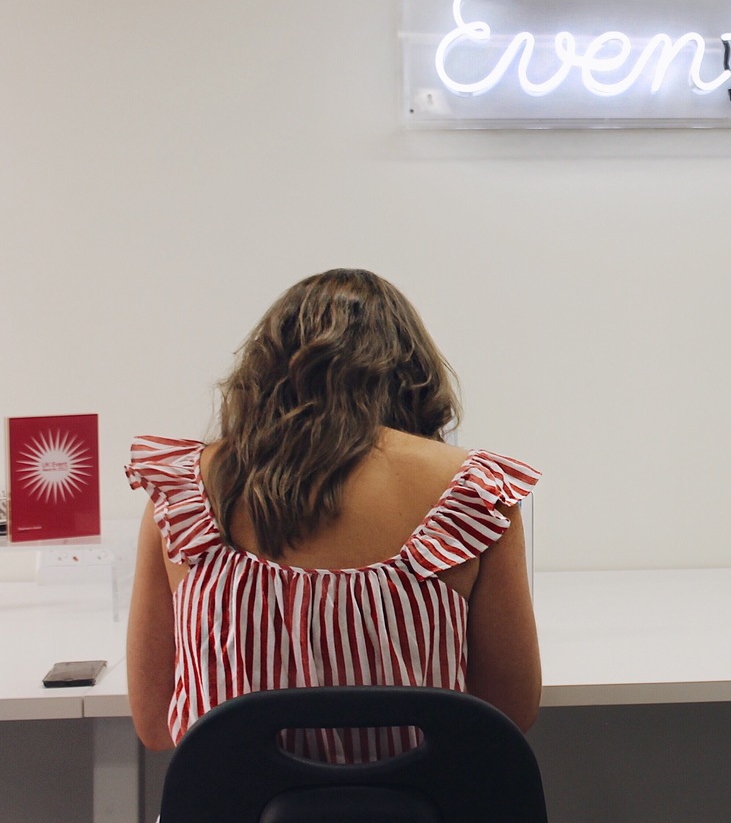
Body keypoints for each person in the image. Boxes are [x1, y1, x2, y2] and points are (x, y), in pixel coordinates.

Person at [126, 268, 541, 760]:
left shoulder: (184, 493)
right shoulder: (472, 495)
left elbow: (154, 725)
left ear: (264, 370)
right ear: (412, 374)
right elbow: (508, 714)